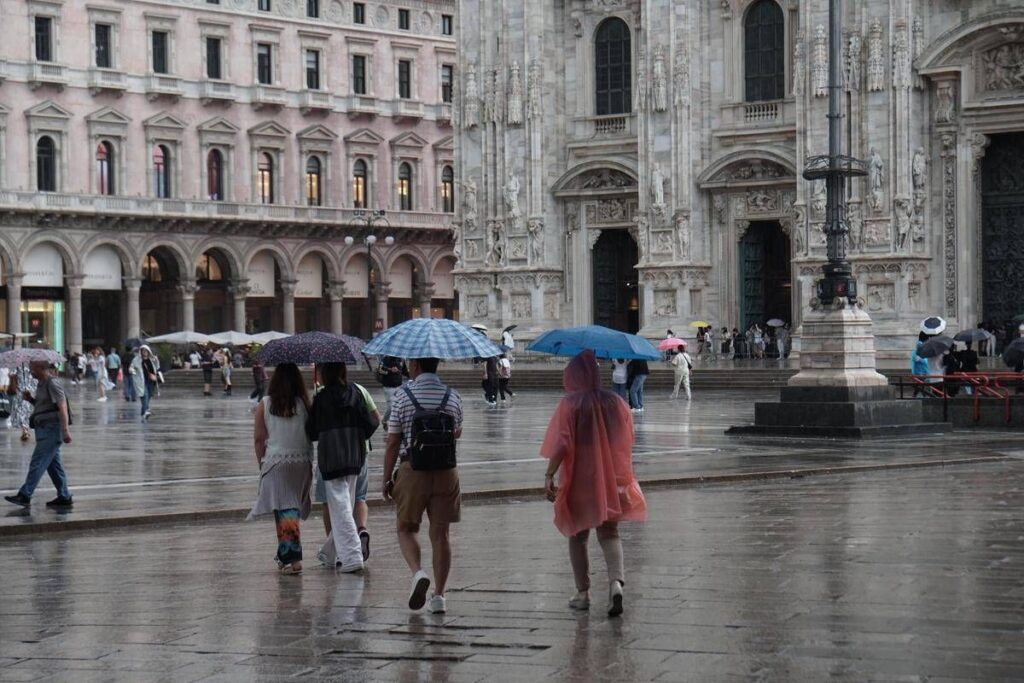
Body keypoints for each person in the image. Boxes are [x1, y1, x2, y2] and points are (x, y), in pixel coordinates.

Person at [540, 350, 647, 617]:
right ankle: (616, 584)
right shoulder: (616, 402)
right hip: (612, 476)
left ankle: (583, 593)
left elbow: (562, 443)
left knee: (578, 535)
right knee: (610, 533)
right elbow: (628, 437)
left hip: (580, 478)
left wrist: (549, 474)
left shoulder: (570, 404)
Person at [382, 357, 463, 614]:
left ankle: (418, 573)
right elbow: (457, 431)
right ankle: (439, 595)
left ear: (415, 365)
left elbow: (393, 441)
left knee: (405, 528)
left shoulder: (402, 396)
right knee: (441, 535)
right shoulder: (452, 396)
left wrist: (386, 478)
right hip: (446, 471)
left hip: (412, 469)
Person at [306, 362, 378, 573]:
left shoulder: (321, 397)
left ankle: (353, 556)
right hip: (355, 454)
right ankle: (329, 553)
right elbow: (373, 421)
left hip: (332, 456)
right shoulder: (355, 392)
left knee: (340, 505)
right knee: (346, 500)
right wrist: (357, 435)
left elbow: (311, 431)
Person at [248, 363, 313, 575]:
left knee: (284, 508)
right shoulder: (304, 403)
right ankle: (284, 554)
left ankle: (294, 558)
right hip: (302, 461)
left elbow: (259, 439)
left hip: (276, 460)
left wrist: (261, 462)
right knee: (287, 507)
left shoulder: (265, 404)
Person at [4, 360, 73, 509]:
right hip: (43, 428)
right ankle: (64, 495)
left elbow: (62, 407)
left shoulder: (53, 383)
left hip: (52, 429)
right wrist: (31, 400)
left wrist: (65, 430)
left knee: (38, 461)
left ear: (42, 368)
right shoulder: (41, 384)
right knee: (54, 466)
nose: (30, 371)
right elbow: (45, 407)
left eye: (33, 368)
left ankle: (25, 494)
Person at [131, 345, 159, 422]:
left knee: (149, 395)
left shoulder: (152, 359)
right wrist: (133, 372)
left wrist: (156, 361)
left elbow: (157, 367)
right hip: (141, 381)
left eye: (146, 351)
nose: (145, 353)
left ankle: (144, 411)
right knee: (144, 395)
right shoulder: (136, 360)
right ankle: (146, 410)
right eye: (143, 351)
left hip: (151, 381)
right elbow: (131, 368)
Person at [7, 367, 35, 443]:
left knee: (21, 410)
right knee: (25, 410)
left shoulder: (16, 364)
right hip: (30, 391)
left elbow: (11, 375)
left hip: (21, 391)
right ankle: (25, 430)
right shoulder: (33, 364)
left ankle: (25, 430)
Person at [910, 333, 930, 398]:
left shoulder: (919, 345)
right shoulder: (921, 345)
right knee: (920, 384)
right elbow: (919, 358)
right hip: (921, 370)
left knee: (920, 384)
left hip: (919, 370)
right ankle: (919, 395)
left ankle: (916, 396)